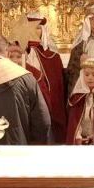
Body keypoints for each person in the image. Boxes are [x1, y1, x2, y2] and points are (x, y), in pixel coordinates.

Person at [24, 12, 67, 143]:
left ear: (43, 31)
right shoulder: (17, 54)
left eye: (37, 27)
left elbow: (57, 88)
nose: (33, 30)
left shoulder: (52, 57)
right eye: (30, 26)